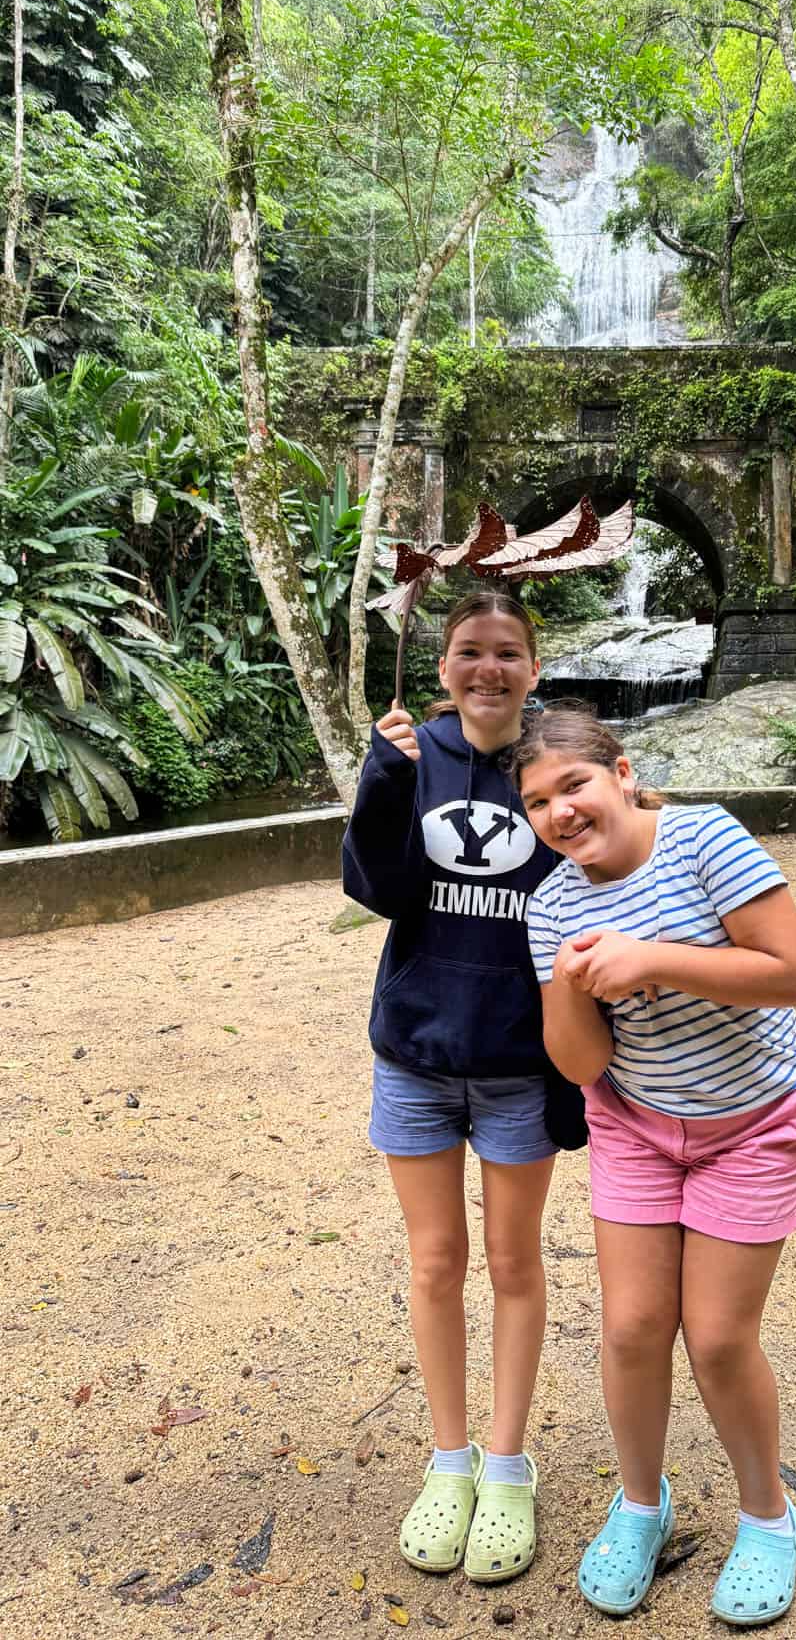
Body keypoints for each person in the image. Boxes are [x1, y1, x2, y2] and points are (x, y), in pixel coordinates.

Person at [512, 703, 796, 1628]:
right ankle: (641, 1505)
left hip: (754, 1121)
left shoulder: (702, 840)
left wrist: (654, 957)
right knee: (635, 1327)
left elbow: (788, 971)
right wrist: (570, 983)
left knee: (720, 1338)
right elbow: (581, 1065)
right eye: (537, 803)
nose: (560, 813)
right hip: (638, 1126)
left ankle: (769, 1517)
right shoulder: (549, 905)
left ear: (621, 772)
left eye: (574, 784)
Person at [342, 590, 565, 1586]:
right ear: (443, 668)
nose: (488, 669)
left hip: (521, 1061)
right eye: (469, 652)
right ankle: (449, 1463)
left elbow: (601, 872)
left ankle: (508, 1469)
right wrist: (385, 782)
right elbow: (377, 890)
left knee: (516, 1266)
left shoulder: (553, 767)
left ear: (531, 666)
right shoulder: (408, 755)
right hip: (417, 1055)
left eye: (506, 653)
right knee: (436, 1262)